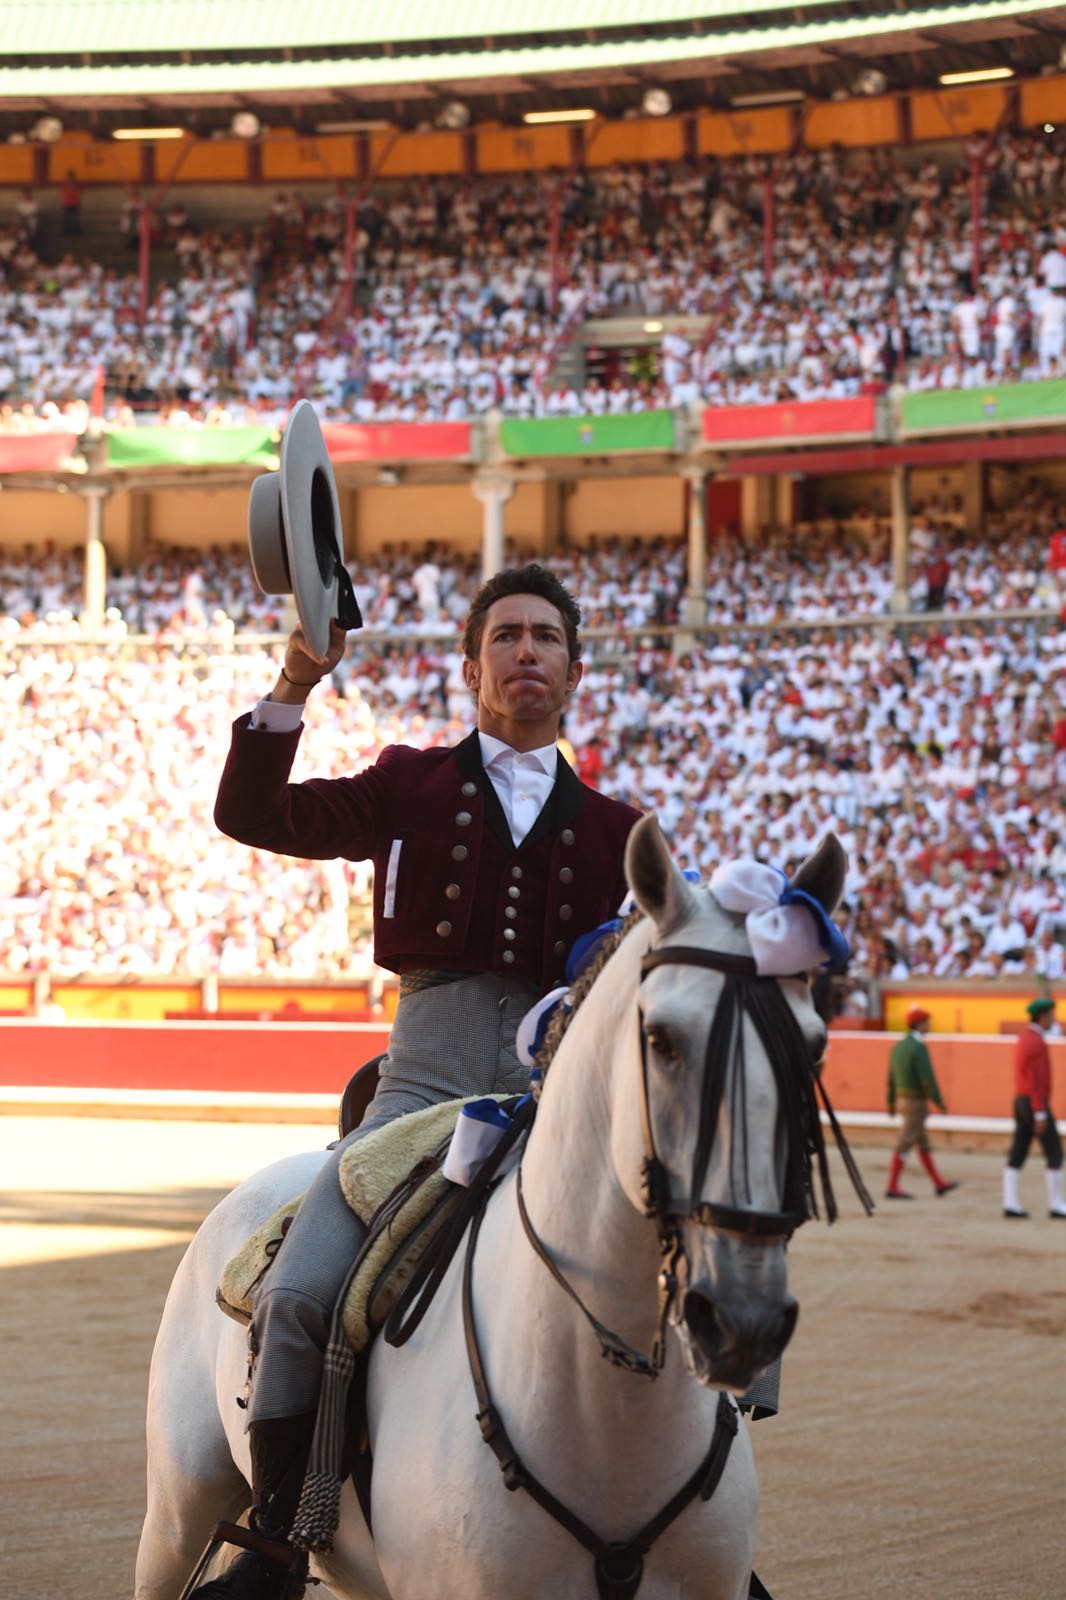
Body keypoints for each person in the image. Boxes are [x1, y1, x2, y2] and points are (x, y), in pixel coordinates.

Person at [198, 564, 642, 1599]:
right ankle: (278, 1534)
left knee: (691, 1262)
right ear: (472, 663)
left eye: (545, 637)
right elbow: (250, 812)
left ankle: (707, 1527)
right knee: (302, 1295)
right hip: (416, 1090)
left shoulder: (622, 830)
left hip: (551, 1106)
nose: (525, 651)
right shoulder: (407, 781)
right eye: (506, 636)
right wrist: (295, 684)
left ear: (573, 672)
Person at [885, 1005, 959, 1199]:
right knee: (905, 1142)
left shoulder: (899, 1046)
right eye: (927, 1022)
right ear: (919, 1024)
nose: (929, 1025)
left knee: (923, 1142)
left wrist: (891, 1102)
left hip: (902, 1100)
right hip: (915, 1103)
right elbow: (927, 1077)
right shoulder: (918, 1047)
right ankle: (892, 1186)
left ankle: (939, 1183)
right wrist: (939, 1101)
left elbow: (891, 1077)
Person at [1003, 997, 1066, 1219]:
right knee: (1055, 1151)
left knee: (1019, 1149)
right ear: (1042, 1016)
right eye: (1051, 1016)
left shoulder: (1024, 1037)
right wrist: (1040, 1111)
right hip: (1033, 1102)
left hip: (1020, 1100)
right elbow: (1037, 1080)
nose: (1053, 1020)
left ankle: (1010, 1202)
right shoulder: (1037, 1042)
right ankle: (1056, 1204)